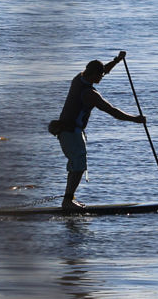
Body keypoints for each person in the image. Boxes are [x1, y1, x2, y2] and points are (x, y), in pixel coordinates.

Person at [51, 51, 145, 210]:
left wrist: (117, 61)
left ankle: (69, 200)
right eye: (100, 75)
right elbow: (113, 111)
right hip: (70, 133)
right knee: (79, 166)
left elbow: (103, 70)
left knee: (77, 165)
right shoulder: (90, 94)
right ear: (93, 74)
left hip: (69, 132)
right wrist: (136, 119)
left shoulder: (77, 79)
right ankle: (67, 202)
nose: (102, 77)